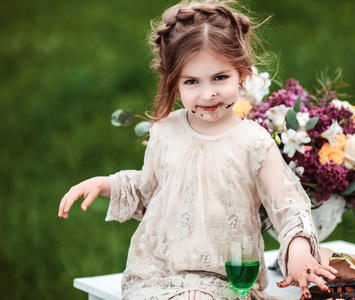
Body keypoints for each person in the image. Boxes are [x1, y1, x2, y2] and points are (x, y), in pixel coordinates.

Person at [58, 0, 337, 299]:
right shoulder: (165, 131)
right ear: (174, 83)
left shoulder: (254, 143)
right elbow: (151, 193)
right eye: (192, 81)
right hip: (156, 274)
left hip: (227, 279)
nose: (208, 94)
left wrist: (298, 252)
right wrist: (104, 184)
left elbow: (289, 207)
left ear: (241, 73)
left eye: (220, 77)